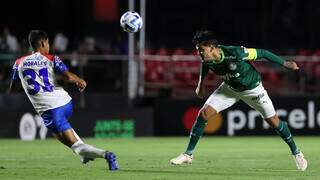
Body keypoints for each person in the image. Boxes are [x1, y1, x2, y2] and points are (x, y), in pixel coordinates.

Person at [170, 30, 307, 171]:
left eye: (201, 50)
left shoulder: (236, 52)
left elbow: (263, 53)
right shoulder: (207, 60)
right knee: (204, 114)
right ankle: (188, 154)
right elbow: (205, 66)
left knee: (274, 122)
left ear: (211, 47)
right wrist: (200, 84)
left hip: (254, 90)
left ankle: (297, 153)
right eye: (198, 50)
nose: (199, 53)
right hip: (230, 89)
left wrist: (285, 63)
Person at [9, 30, 118, 171]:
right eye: (48, 42)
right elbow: (68, 77)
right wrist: (80, 80)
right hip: (66, 102)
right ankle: (85, 154)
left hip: (51, 110)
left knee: (76, 147)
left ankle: (107, 155)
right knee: (68, 133)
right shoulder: (51, 58)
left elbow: (13, 88)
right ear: (43, 42)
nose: (49, 45)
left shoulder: (19, 63)